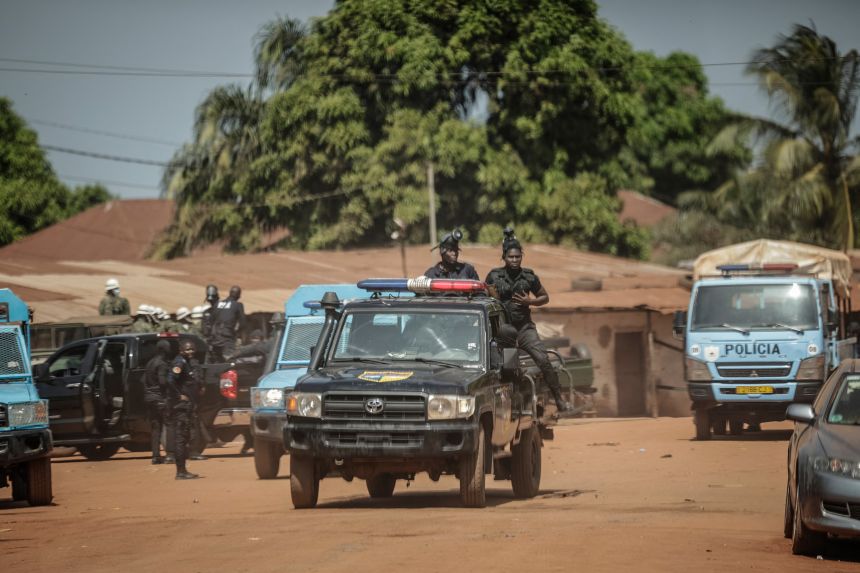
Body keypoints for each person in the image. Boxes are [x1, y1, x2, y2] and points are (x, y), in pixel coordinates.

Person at [484, 229, 571, 413]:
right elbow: (486, 299)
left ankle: (559, 399)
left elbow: (545, 297)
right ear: (504, 257)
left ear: (521, 256)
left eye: (517, 257)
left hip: (525, 328)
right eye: (510, 257)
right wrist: (494, 297)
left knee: (543, 360)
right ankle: (511, 404)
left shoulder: (529, 276)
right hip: (504, 330)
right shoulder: (494, 275)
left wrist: (529, 301)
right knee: (506, 367)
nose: (514, 260)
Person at [226, 329, 272, 454]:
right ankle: (249, 443)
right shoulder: (252, 350)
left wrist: (234, 353)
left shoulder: (268, 347)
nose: (255, 341)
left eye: (257, 338)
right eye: (253, 338)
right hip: (249, 389)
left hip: (266, 388)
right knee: (249, 419)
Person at [167, 340, 205, 480]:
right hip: (181, 407)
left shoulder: (188, 362)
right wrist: (179, 395)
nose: (190, 351)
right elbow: (170, 380)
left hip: (187, 406)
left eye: (192, 349)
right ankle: (180, 472)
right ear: (181, 350)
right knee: (181, 438)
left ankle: (183, 470)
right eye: (188, 349)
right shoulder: (180, 362)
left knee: (184, 437)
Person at [144, 340, 170, 464]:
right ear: (166, 350)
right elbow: (163, 382)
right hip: (160, 398)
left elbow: (143, 380)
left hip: (149, 398)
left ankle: (155, 456)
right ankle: (170, 454)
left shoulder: (150, 363)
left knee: (155, 428)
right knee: (168, 426)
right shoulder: (162, 364)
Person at [210, 285, 246, 362]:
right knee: (229, 361)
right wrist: (237, 333)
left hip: (214, 339)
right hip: (227, 339)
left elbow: (211, 320)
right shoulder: (238, 305)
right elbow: (243, 323)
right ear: (238, 295)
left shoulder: (217, 304)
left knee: (215, 361)